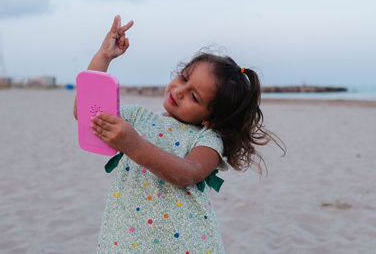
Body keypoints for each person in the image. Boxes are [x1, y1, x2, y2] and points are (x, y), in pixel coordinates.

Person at [74, 15, 284, 253]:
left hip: (183, 246)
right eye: (184, 78)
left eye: (194, 96)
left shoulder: (206, 139)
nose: (179, 90)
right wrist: (103, 57)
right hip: (124, 241)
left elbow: (188, 173)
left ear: (211, 117)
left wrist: (133, 145)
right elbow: (86, 112)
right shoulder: (138, 118)